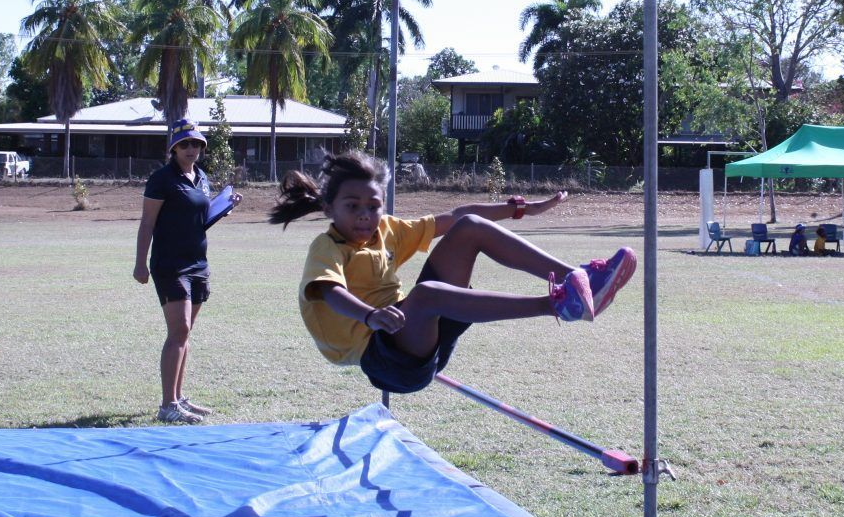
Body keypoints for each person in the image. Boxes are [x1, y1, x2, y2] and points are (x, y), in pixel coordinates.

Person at [269, 152, 635, 396]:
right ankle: (556, 305)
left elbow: (457, 215)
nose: (365, 215)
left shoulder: (388, 230)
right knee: (427, 292)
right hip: (386, 360)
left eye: (373, 206)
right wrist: (369, 315)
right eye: (352, 207)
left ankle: (579, 280)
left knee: (469, 226)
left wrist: (523, 209)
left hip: (421, 334)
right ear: (330, 208)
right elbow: (329, 291)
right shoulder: (327, 246)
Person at [133, 119, 239, 424]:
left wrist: (223, 207)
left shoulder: (201, 177)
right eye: (185, 144)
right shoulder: (162, 179)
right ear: (174, 148)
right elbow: (147, 223)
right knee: (178, 331)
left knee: (185, 333)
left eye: (196, 144)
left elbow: (200, 220)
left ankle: (178, 398)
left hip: (198, 263)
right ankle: (167, 405)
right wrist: (140, 262)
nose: (191, 149)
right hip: (170, 264)